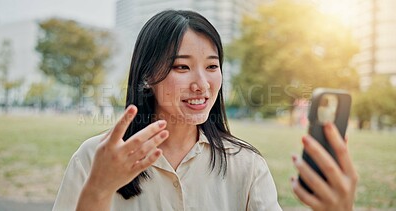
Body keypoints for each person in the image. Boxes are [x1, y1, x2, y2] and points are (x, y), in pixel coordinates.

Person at [52, 10, 358, 211]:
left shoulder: (246, 166)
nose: (202, 84)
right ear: (147, 77)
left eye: (212, 66)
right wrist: (98, 189)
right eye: (182, 66)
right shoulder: (93, 158)